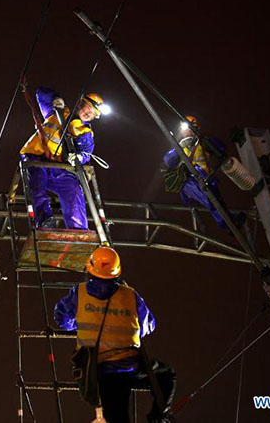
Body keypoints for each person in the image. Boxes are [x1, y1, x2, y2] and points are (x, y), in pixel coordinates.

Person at [54, 247, 176, 422]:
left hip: (98, 371)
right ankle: (157, 418)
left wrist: (83, 322)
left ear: (90, 269)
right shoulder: (130, 295)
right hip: (130, 366)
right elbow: (148, 326)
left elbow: (62, 319)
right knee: (166, 375)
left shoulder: (79, 293)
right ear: (117, 271)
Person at [19, 87, 106, 229]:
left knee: (73, 189)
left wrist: (77, 157)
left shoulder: (85, 132)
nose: (87, 113)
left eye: (92, 113)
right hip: (35, 156)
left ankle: (78, 229)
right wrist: (55, 99)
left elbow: (85, 152)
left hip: (59, 167)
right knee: (37, 183)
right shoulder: (58, 112)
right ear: (80, 104)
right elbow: (40, 92)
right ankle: (45, 221)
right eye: (87, 107)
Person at [162, 116, 242, 230]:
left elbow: (220, 149)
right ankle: (228, 224)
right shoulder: (179, 147)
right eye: (184, 129)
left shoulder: (202, 142)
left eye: (188, 128)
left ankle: (230, 223)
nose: (185, 132)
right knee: (211, 200)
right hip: (188, 180)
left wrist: (204, 139)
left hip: (205, 178)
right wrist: (180, 146)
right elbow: (168, 160)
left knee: (216, 200)